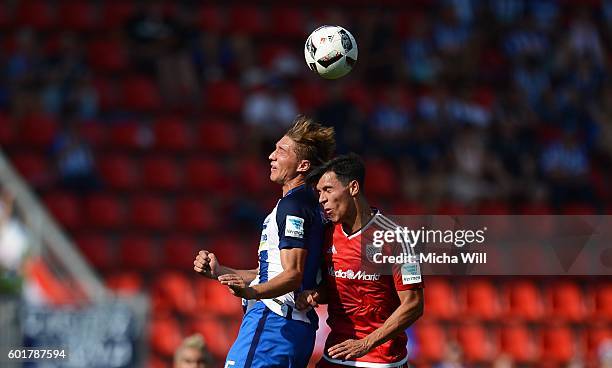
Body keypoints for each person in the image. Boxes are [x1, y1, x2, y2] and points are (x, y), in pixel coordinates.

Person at [193, 116, 335, 368]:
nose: (271, 156)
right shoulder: (310, 207)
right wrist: (221, 272)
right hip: (294, 327)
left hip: (273, 323)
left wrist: (252, 293)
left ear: (302, 165)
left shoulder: (293, 206)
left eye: (281, 151)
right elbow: (273, 272)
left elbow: (292, 275)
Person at [298, 153, 424, 368]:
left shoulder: (396, 237)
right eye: (319, 193)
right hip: (336, 353)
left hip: (381, 360)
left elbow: (413, 304)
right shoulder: (327, 233)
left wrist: (366, 344)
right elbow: (335, 286)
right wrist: (315, 295)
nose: (321, 199)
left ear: (353, 188)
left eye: (328, 190)